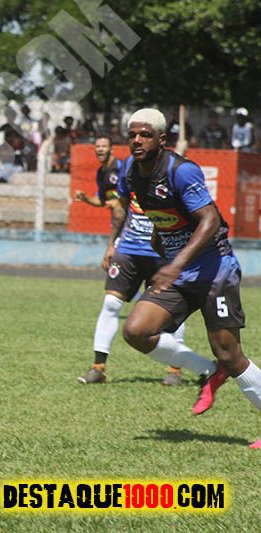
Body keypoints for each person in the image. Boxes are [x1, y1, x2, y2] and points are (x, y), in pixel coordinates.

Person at [119, 108, 261, 449]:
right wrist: (160, 236)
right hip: (179, 271)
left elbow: (210, 219)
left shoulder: (181, 171)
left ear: (162, 139)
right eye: (132, 135)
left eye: (145, 135)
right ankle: (207, 370)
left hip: (214, 270)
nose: (137, 141)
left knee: (230, 355)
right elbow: (161, 212)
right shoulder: (132, 172)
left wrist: (175, 263)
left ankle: (222, 368)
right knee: (136, 331)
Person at [74, 135, 189, 386]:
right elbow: (119, 209)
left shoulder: (175, 173)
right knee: (110, 304)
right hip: (129, 249)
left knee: (169, 313)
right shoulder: (128, 170)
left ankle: (175, 369)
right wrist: (111, 245)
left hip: (162, 254)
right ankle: (98, 367)